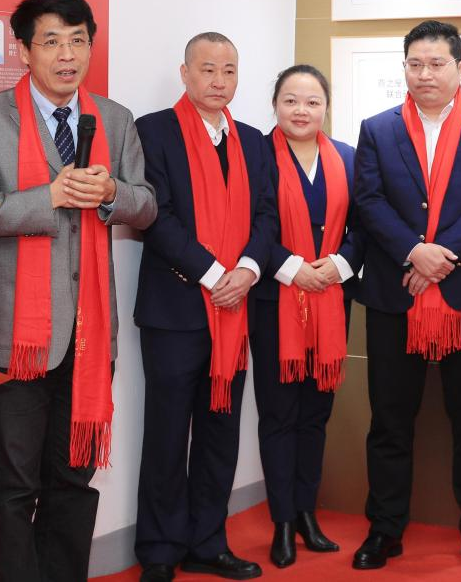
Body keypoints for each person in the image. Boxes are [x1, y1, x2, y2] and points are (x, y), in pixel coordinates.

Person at [0, 0, 157, 582]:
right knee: (14, 485)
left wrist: (112, 193)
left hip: (89, 338)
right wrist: (50, 197)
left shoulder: (114, 119)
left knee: (73, 479)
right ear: (23, 50)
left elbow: (146, 205)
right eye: (51, 42)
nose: (67, 55)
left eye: (78, 41)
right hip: (16, 336)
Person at [351, 20, 461, 572]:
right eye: (415, 64)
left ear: (460, 67)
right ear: (404, 68)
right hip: (395, 295)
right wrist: (413, 252)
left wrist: (440, 257)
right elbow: (369, 200)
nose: (425, 74)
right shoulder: (378, 129)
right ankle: (384, 529)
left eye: (437, 64)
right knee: (389, 422)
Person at [133, 33, 278, 582]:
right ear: (185, 74)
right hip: (175, 311)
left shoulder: (252, 141)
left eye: (229, 71)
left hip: (234, 309)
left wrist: (248, 270)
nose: (219, 81)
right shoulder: (154, 131)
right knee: (167, 435)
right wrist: (216, 274)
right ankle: (160, 550)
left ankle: (208, 542)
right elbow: (156, 216)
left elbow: (267, 216)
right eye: (208, 70)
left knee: (220, 433)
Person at [252, 64, 366, 568]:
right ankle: (281, 521)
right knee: (279, 415)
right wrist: (291, 267)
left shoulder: (348, 158)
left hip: (332, 300)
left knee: (316, 415)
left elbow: (364, 224)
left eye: (313, 101)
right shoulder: (256, 154)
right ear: (275, 104)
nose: (302, 110)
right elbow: (247, 224)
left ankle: (306, 514)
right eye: (291, 100)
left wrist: (339, 264)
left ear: (326, 108)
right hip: (275, 302)